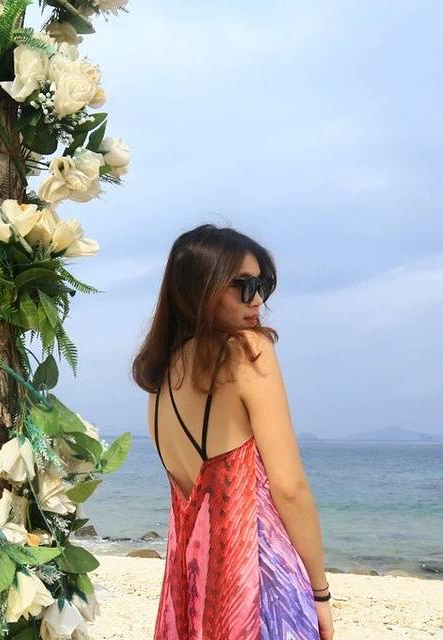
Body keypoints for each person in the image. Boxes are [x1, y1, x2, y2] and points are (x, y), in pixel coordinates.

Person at [131, 224, 334, 640]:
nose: (256, 299)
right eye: (241, 285)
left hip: (192, 594)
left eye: (261, 285)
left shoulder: (160, 381)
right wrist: (320, 592)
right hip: (259, 587)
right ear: (199, 287)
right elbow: (290, 488)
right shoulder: (248, 351)